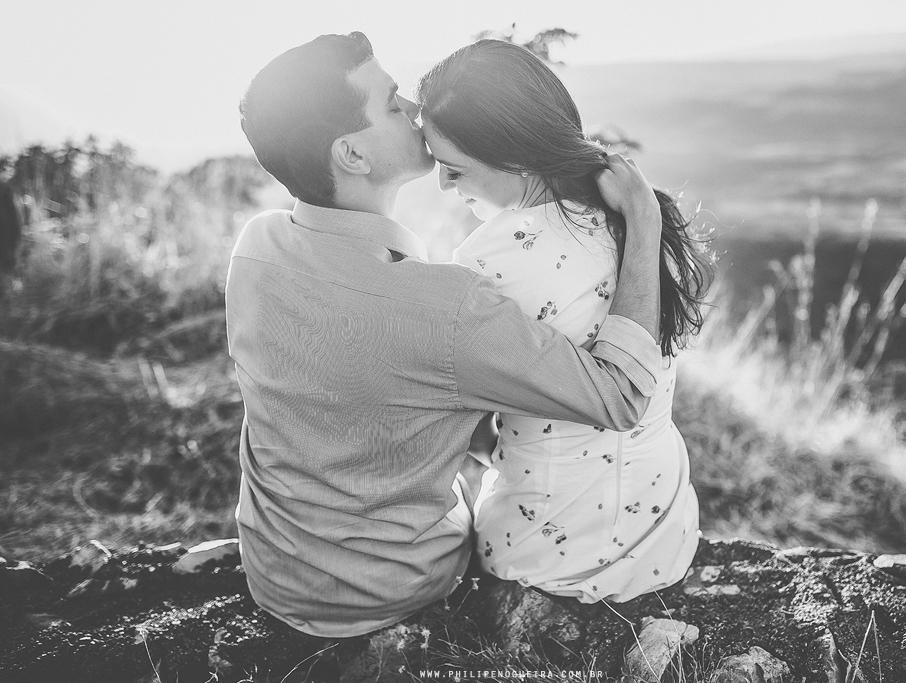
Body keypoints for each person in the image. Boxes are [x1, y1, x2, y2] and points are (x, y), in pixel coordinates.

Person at [229, 32, 667, 639]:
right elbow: (618, 397)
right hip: (391, 591)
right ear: (352, 155)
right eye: (390, 105)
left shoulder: (256, 248)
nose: (413, 109)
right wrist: (644, 220)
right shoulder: (445, 305)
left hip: (273, 571)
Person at [416, 39, 712, 602]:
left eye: (454, 169)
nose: (444, 186)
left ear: (518, 157)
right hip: (664, 535)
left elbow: (457, 422)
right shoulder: (645, 220)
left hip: (545, 555)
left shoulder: (487, 262)